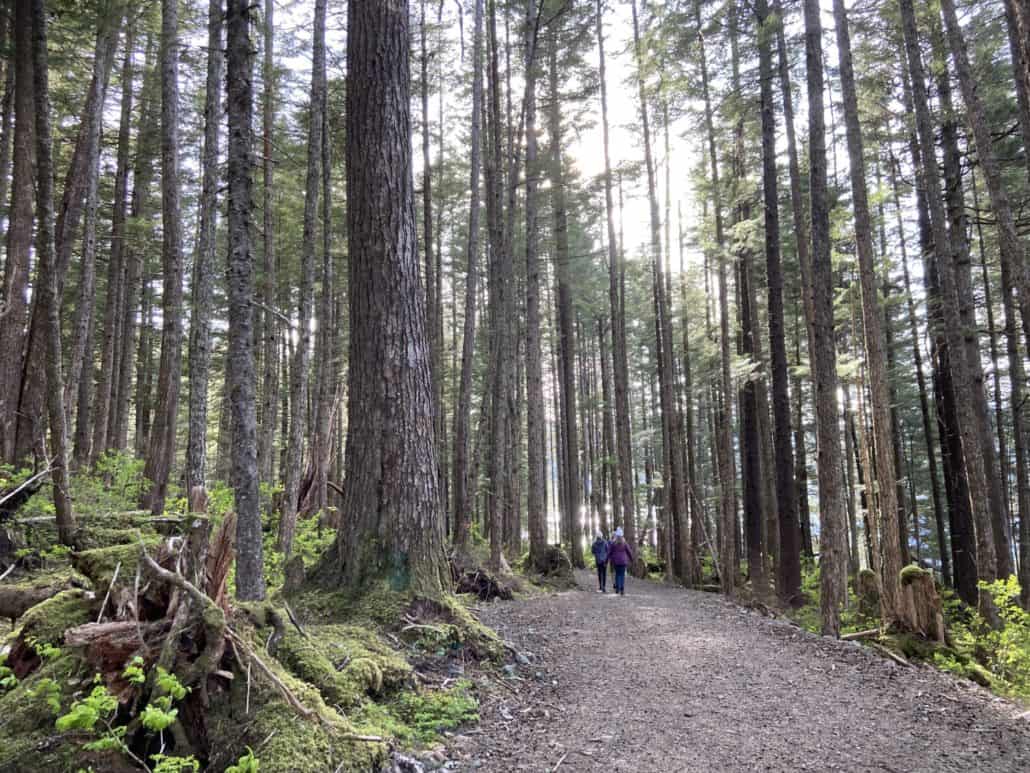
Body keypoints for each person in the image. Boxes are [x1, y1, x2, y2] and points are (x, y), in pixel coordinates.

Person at [607, 531, 633, 596]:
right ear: (622, 536)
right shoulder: (625, 543)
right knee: (622, 575)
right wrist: (631, 559)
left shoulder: (613, 543)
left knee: (617, 574)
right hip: (623, 561)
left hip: (616, 562)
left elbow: (609, 552)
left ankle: (617, 589)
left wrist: (607, 560)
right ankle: (622, 589)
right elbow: (629, 552)